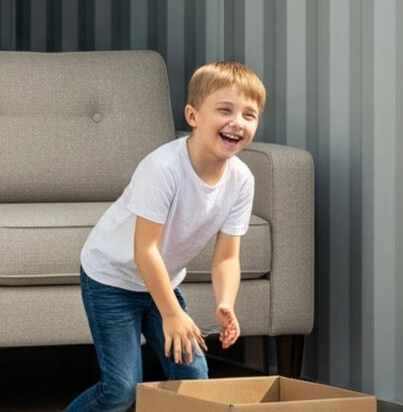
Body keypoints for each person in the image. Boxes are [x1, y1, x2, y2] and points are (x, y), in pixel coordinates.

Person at [64, 61, 265, 412]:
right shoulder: (163, 168)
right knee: (121, 390)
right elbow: (145, 250)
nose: (237, 122)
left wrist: (225, 303)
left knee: (194, 381)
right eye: (224, 110)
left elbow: (227, 257)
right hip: (112, 279)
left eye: (249, 115)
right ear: (193, 115)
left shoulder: (241, 180)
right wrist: (171, 313)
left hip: (161, 282)